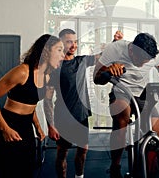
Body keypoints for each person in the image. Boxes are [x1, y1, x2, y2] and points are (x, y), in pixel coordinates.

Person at [93, 32, 159, 178]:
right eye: (140, 60)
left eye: (146, 61)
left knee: (155, 126)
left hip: (142, 93)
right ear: (131, 49)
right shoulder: (115, 49)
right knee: (122, 119)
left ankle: (149, 167)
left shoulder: (153, 55)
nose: (143, 64)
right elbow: (96, 78)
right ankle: (115, 166)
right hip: (120, 91)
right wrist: (108, 70)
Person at [44, 29, 123, 178]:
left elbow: (102, 56)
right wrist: (50, 125)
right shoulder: (55, 67)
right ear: (61, 43)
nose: (73, 45)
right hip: (63, 118)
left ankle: (79, 176)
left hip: (82, 116)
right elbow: (48, 99)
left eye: (75, 41)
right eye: (69, 42)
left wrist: (115, 42)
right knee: (62, 154)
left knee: (83, 151)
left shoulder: (81, 61)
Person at [0, 34, 65, 178]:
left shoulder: (47, 77)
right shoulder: (22, 72)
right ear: (46, 51)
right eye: (59, 50)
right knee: (10, 171)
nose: (62, 55)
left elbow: (29, 104)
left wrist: (38, 127)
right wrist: (5, 129)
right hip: (8, 123)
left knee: (27, 169)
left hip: (26, 126)